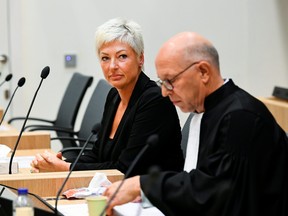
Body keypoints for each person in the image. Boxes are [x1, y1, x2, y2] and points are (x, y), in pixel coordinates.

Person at [103, 32, 288, 215]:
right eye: (161, 81)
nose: (164, 92)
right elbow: (200, 180)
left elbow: (214, 195)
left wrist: (143, 185)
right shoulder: (207, 111)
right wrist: (149, 195)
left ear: (203, 72)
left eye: (170, 81)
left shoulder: (240, 117)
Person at [30, 18, 184, 177]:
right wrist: (62, 163)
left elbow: (126, 168)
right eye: (105, 58)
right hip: (117, 191)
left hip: (151, 196)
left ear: (140, 59)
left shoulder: (154, 101)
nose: (112, 66)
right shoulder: (114, 96)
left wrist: (65, 168)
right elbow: (98, 154)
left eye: (122, 56)